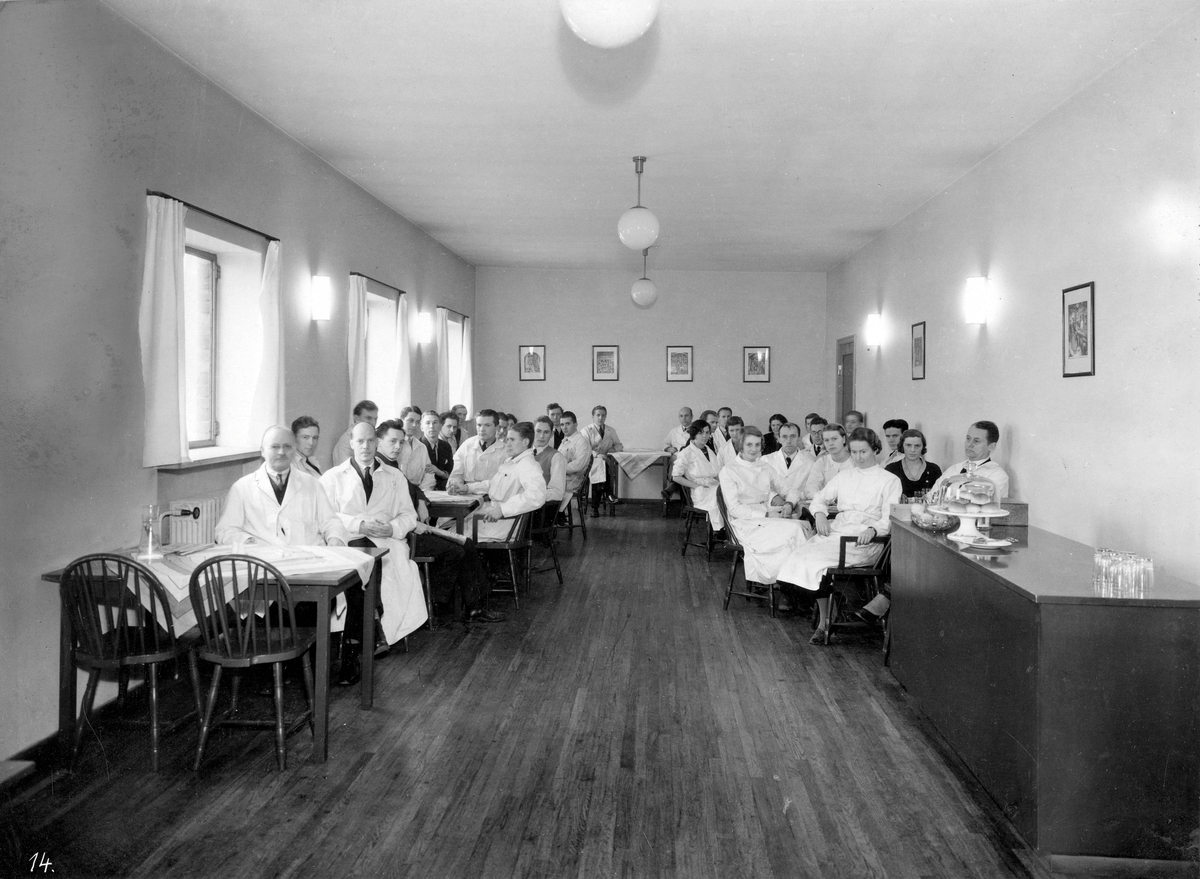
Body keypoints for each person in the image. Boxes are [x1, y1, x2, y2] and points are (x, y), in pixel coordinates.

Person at [321, 423, 429, 674]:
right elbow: (326, 516)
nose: (366, 447)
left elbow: (408, 515)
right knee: (367, 559)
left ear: (376, 443)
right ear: (351, 442)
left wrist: (391, 529)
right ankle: (374, 625)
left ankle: (365, 632)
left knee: (377, 558)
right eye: (360, 441)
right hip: (348, 539)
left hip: (386, 540)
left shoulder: (394, 477)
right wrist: (359, 524)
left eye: (370, 441)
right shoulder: (333, 477)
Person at [777, 428, 901, 645]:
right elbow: (819, 499)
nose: (858, 457)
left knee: (814, 562)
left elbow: (889, 517)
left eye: (864, 452)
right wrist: (820, 516)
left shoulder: (889, 480)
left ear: (875, 450)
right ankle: (829, 611)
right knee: (793, 559)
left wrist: (873, 530)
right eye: (854, 452)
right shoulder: (845, 475)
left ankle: (825, 622)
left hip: (864, 540)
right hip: (837, 532)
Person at [216, 425, 349, 549]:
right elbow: (225, 530)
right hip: (264, 562)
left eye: (287, 446)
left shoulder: (312, 484)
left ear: (294, 449)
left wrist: (335, 538)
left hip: (308, 559)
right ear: (262, 450)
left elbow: (332, 522)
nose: (281, 452)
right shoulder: (242, 488)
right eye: (274, 447)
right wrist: (248, 542)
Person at [718, 427, 809, 585]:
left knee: (804, 527)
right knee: (796, 530)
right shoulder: (729, 470)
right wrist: (766, 515)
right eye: (749, 445)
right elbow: (734, 509)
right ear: (740, 445)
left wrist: (789, 503)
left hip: (767, 518)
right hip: (744, 523)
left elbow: (790, 490)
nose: (754, 449)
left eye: (757, 445)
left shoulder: (764, 467)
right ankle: (788, 584)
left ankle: (792, 584)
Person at [471, 422, 547, 542]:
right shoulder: (512, 462)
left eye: (512, 440)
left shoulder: (528, 464)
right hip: (495, 519)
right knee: (451, 530)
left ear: (525, 442)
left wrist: (503, 509)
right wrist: (468, 488)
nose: (508, 444)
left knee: (454, 535)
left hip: (504, 524)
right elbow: (493, 484)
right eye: (507, 440)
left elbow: (537, 495)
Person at [931, 420, 1010, 499]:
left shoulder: (997, 475)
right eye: (968, 438)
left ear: (991, 446)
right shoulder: (953, 469)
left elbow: (977, 503)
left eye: (976, 441)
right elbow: (931, 497)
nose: (969, 444)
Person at [671, 419, 724, 532]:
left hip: (713, 485)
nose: (704, 436)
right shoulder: (686, 452)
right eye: (701, 433)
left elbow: (717, 472)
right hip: (699, 490)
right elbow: (676, 476)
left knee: (730, 494)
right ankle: (719, 530)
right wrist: (696, 486)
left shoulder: (709, 450)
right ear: (694, 434)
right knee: (719, 496)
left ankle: (728, 531)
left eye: (707, 432)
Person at [448, 409, 508, 495]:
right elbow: (456, 473)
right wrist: (455, 485)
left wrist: (468, 488)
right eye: (479, 425)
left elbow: (500, 482)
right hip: (466, 497)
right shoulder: (467, 445)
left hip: (492, 499)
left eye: (487, 425)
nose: (482, 429)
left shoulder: (505, 451)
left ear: (497, 427)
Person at [762, 422, 817, 507]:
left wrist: (792, 500)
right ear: (778, 439)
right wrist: (773, 497)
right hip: (772, 508)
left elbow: (810, 490)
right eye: (784, 437)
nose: (788, 441)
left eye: (793, 436)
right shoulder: (766, 460)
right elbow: (760, 486)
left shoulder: (810, 463)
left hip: (797, 510)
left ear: (799, 438)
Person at [581, 405, 623, 515]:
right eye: (598, 415)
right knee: (599, 466)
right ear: (593, 417)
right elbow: (584, 448)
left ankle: (595, 509)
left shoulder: (610, 430)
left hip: (607, 461)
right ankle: (608, 493)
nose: (600, 418)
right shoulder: (586, 430)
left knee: (603, 466)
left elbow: (619, 445)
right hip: (590, 461)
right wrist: (597, 455)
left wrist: (611, 450)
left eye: (603, 415)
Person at [802, 422, 853, 500]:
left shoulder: (855, 461)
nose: (830, 443)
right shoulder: (821, 462)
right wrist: (825, 499)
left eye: (834, 439)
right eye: (826, 440)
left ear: (843, 439)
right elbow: (811, 488)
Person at [886, 428, 942, 497]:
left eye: (917, 446)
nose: (913, 450)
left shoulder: (934, 469)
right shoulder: (891, 469)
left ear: (922, 447)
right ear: (902, 446)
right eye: (908, 445)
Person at [558, 410, 592, 510]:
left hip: (574, 480)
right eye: (562, 424)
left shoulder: (581, 441)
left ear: (576, 424)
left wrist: (557, 469)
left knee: (542, 488)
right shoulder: (565, 441)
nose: (564, 427)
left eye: (567, 424)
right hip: (564, 478)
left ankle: (552, 519)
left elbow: (578, 465)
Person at [330, 400, 379, 467]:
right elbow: (347, 472)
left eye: (375, 419)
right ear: (356, 418)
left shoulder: (374, 437)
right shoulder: (345, 443)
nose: (373, 423)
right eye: (369, 418)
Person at [531, 416, 567, 505]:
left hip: (539, 507)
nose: (541, 436)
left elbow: (557, 492)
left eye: (546, 432)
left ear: (551, 434)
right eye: (538, 431)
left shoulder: (556, 457)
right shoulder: (524, 453)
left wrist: (530, 497)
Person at [399, 406, 437, 490]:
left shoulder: (422, 447)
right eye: (410, 421)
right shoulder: (396, 445)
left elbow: (429, 475)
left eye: (417, 422)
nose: (414, 425)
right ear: (402, 421)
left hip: (419, 493)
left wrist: (420, 494)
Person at [662, 406, 693, 502]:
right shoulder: (674, 431)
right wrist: (668, 448)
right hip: (676, 459)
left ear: (692, 417)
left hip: (690, 459)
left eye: (686, 416)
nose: (684, 418)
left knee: (686, 472)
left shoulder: (696, 431)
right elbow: (664, 443)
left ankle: (671, 488)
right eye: (681, 416)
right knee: (678, 467)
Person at [421, 411, 455, 490]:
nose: (431, 426)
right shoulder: (419, 447)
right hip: (424, 490)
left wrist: (438, 472)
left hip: (444, 489)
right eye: (427, 423)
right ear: (421, 427)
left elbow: (451, 473)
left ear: (440, 426)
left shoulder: (446, 446)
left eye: (435, 423)